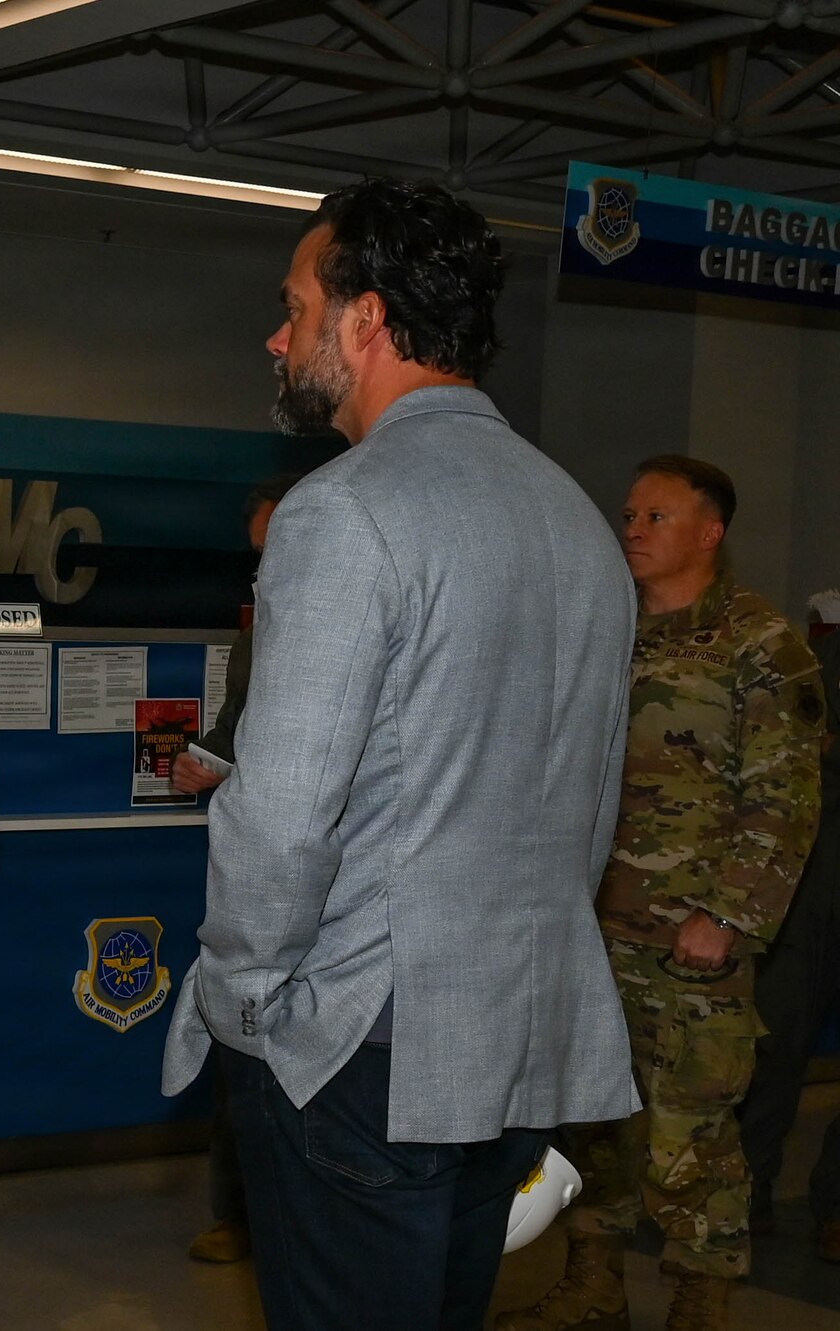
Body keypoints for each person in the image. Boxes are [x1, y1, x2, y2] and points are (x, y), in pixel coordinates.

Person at [159, 177, 640, 1331]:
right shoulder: (575, 517)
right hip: (510, 1038)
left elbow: (283, 811)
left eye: (293, 307)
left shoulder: (344, 510)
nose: (276, 337)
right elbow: (587, 801)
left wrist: (241, 999)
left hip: (357, 1049)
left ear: (364, 318)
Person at [502, 458, 824, 1331]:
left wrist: (727, 915)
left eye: (657, 516)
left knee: (693, 1134)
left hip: (693, 937)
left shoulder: (760, 644)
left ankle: (700, 1303)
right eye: (630, 514)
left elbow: (785, 799)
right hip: (591, 928)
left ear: (710, 532)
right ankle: (593, 1287)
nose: (634, 529)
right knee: (594, 1123)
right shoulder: (608, 629)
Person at [175, 471, 300, 1266]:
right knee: (242, 1034)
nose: (267, 564)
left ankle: (307, 1218)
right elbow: (234, 729)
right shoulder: (259, 629)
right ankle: (241, 1214)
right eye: (258, 552)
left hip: (340, 879)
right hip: (258, 873)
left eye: (278, 545)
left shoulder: (366, 617)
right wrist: (205, 762)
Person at [740, 624, 840, 1260]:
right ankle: (744, 1194)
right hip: (811, 877)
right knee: (775, 1041)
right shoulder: (822, 654)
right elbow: (797, 750)